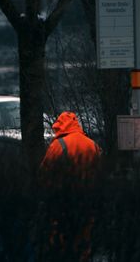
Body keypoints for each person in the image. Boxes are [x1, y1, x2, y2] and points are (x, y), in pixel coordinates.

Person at [38, 111, 101, 262]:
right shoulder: (92, 145)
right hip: (88, 198)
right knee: (84, 235)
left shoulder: (58, 146)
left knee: (61, 236)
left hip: (64, 200)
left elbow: (44, 172)